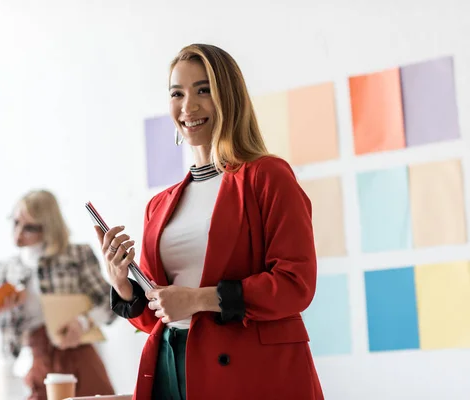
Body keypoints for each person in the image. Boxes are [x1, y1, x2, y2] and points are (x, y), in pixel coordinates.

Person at [96, 44, 324, 399]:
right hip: (173, 367)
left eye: (204, 90)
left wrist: (199, 299)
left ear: (228, 98)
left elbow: (295, 284)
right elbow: (156, 315)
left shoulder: (267, 176)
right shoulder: (160, 204)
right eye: (177, 93)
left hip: (253, 375)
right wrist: (122, 283)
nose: (189, 105)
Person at [0, 190, 116, 399]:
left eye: (30, 227)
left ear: (49, 227)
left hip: (79, 353)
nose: (18, 233)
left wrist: (83, 322)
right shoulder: (2, 270)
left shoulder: (77, 255)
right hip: (33, 360)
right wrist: (5, 312)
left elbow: (112, 303)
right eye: (15, 222)